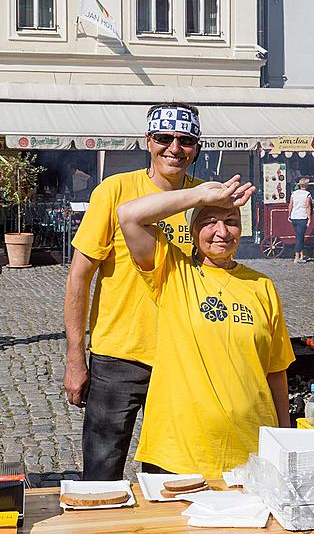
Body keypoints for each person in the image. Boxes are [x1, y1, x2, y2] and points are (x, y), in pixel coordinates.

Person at [116, 175, 293, 478]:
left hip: (250, 453)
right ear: (193, 229)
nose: (222, 232)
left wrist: (287, 441)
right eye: (209, 221)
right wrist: (199, 196)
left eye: (231, 221)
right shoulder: (172, 271)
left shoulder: (262, 286)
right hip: (180, 455)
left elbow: (276, 372)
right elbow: (129, 216)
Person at [63, 102, 202, 480]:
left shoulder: (203, 200)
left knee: (170, 476)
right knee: (102, 471)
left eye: (186, 140)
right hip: (117, 355)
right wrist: (76, 357)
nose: (174, 148)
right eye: (164, 138)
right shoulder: (116, 190)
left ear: (197, 148)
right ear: (148, 141)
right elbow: (80, 275)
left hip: (181, 357)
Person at [288, 178, 312, 263]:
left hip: (294, 216)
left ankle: (301, 255)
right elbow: (307, 206)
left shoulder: (294, 193)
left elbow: (290, 205)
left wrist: (289, 214)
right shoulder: (307, 194)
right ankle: (296, 257)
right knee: (299, 237)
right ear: (306, 185)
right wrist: (309, 218)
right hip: (302, 217)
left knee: (299, 236)